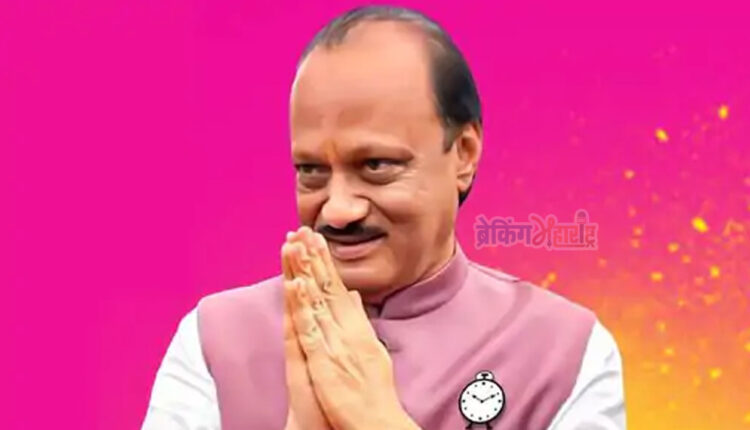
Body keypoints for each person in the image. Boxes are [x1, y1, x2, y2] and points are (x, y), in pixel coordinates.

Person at [142, 6, 625, 430]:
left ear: (463, 153)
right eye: (311, 172)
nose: (338, 210)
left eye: (376, 166)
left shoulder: (563, 353)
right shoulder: (215, 341)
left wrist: (378, 420)